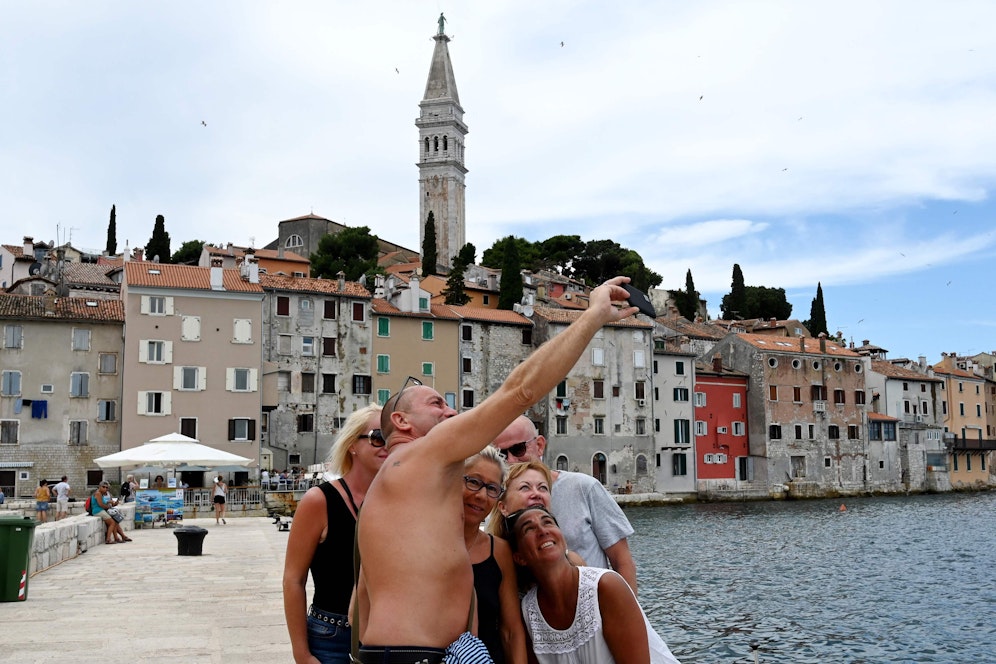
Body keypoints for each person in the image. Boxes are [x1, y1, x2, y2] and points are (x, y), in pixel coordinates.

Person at [355, 277, 638, 664]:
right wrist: (593, 316)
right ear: (402, 421)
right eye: (437, 404)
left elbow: (362, 604)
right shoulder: (421, 455)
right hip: (417, 655)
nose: (452, 412)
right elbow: (519, 391)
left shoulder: (391, 491)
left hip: (395, 652)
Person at [507, 506, 680, 664]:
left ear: (563, 540)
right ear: (519, 557)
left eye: (548, 522)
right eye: (529, 528)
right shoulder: (528, 613)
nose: (542, 531)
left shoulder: (606, 587)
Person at [283, 405, 385, 664]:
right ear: (353, 445)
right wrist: (302, 654)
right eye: (378, 437)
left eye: (393, 437)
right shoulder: (319, 501)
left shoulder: (398, 502)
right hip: (332, 635)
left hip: (387, 634)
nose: (387, 444)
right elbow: (293, 580)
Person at [494, 415, 638, 592]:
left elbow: (622, 562)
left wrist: (624, 614)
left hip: (594, 607)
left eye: (518, 449)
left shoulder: (585, 487)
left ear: (539, 445)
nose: (510, 460)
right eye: (501, 454)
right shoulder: (496, 498)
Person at [463, 447, 527, 664]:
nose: (481, 495)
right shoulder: (423, 544)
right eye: (473, 481)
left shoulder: (499, 551)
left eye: (492, 488)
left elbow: (511, 631)